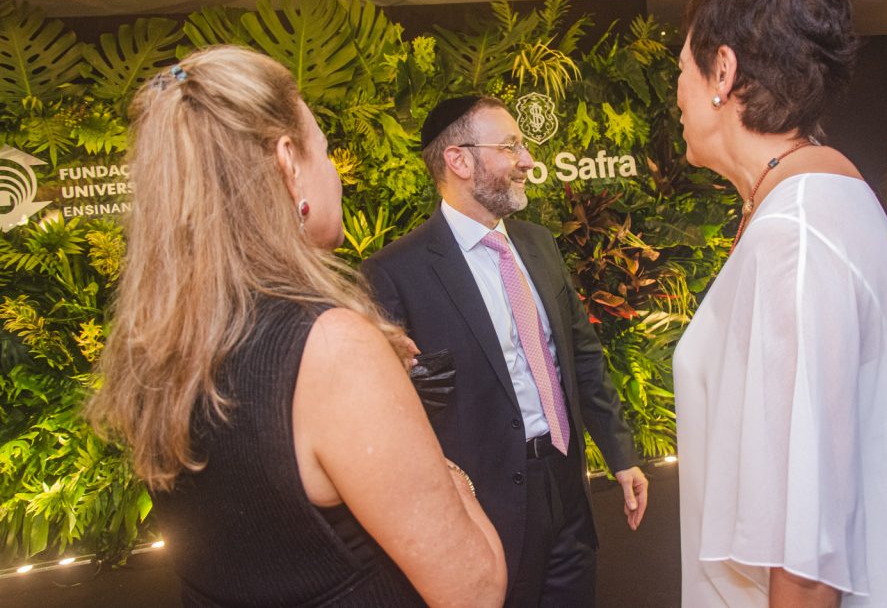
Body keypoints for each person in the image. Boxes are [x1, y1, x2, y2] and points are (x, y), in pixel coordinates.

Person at [87, 46, 505, 607]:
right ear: (288, 163)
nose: (335, 174)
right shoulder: (330, 346)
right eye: (325, 153)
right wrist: (436, 456)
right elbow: (475, 589)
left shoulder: (156, 347)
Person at [672, 0, 887, 607]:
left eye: (680, 70)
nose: (676, 94)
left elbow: (806, 548)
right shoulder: (824, 198)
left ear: (722, 72)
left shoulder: (795, 235)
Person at [360, 95, 648, 607]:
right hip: (484, 506)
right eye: (511, 146)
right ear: (459, 160)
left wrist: (621, 455)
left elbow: (581, 357)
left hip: (567, 487)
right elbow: (384, 412)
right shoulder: (395, 272)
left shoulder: (539, 243)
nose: (528, 160)